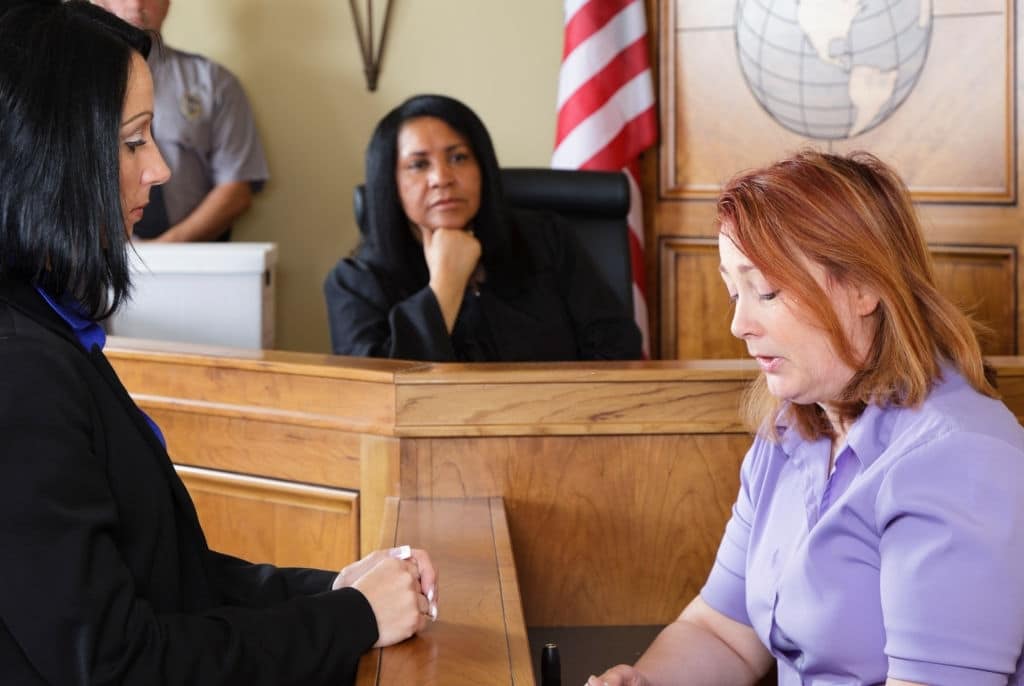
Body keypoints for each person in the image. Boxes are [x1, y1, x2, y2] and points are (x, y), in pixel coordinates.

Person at [0, 2, 435, 684]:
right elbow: (121, 664)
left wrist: (333, 591)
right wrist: (350, 617)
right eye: (135, 139)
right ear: (54, 152)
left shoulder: (49, 329)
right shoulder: (19, 367)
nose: (162, 169)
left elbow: (170, 576)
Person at [589, 151, 1024, 685]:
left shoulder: (962, 458)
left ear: (864, 285)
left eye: (766, 291)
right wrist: (644, 683)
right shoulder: (791, 429)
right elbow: (722, 632)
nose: (738, 324)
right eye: (733, 291)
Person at [323, 94, 642, 362]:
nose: (442, 178)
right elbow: (380, 398)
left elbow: (618, 346)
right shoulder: (355, 282)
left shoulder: (546, 238)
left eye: (459, 158)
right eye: (419, 165)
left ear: (483, 169)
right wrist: (445, 286)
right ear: (389, 184)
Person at [91, 0, 269, 242]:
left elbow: (236, 189)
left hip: (191, 263)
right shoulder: (60, 84)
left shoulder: (215, 83)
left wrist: (166, 250)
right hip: (91, 265)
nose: (135, 3)